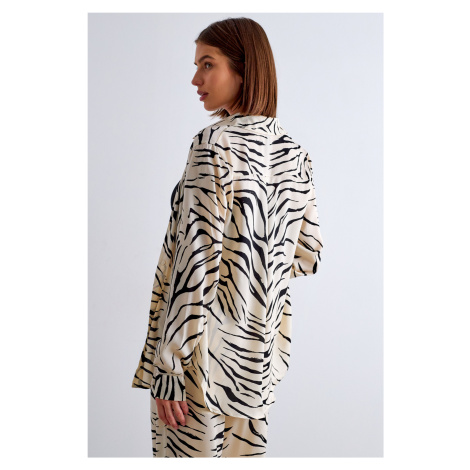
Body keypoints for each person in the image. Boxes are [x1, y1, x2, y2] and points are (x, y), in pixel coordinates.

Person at [132, 17, 324, 458]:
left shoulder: (213, 145)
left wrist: (170, 366)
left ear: (243, 69)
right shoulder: (295, 154)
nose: (195, 79)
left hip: (199, 365)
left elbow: (195, 265)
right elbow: (308, 255)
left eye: (207, 64)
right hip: (258, 362)